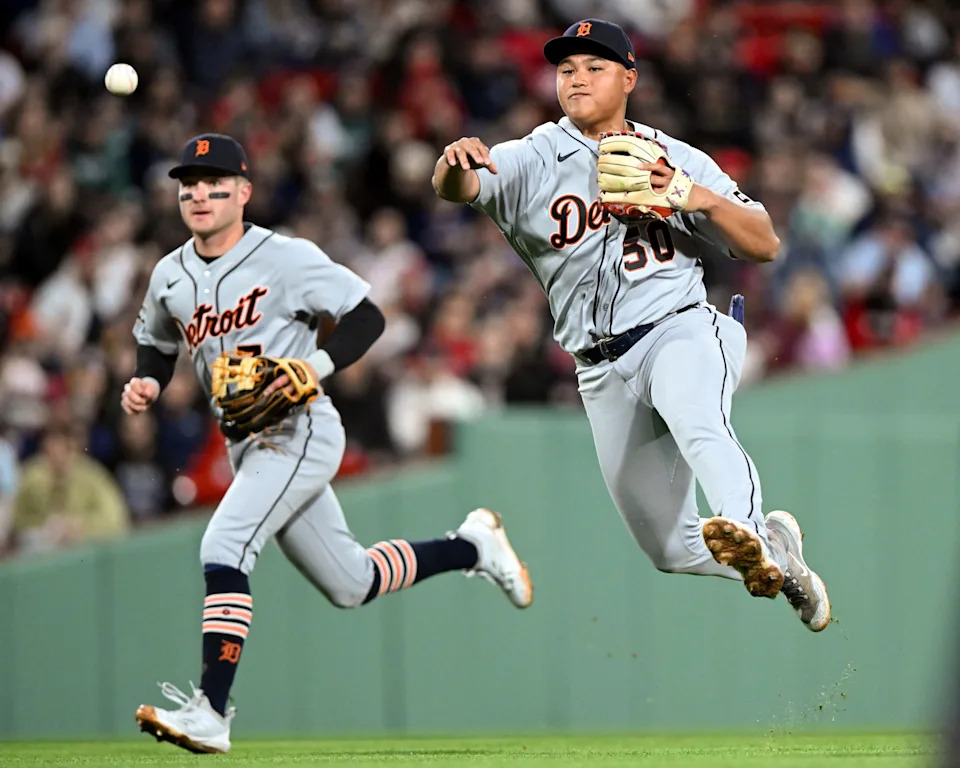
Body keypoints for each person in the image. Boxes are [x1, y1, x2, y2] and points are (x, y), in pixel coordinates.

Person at [126, 134, 532, 755]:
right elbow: (155, 339)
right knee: (351, 581)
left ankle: (211, 711)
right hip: (245, 443)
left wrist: (312, 367)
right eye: (189, 187)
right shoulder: (170, 274)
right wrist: (149, 382)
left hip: (301, 428)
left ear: (244, 193)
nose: (200, 196)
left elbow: (368, 316)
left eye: (215, 185)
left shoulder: (284, 258)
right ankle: (470, 547)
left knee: (225, 542)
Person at [433, 20, 829, 632]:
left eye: (594, 67)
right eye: (567, 69)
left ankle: (746, 523)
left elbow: (765, 242)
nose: (577, 78)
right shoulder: (533, 157)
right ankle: (776, 555)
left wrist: (690, 195)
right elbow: (457, 186)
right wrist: (454, 163)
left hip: (679, 328)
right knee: (668, 549)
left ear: (629, 78)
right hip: (599, 368)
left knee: (700, 424)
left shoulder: (673, 156)